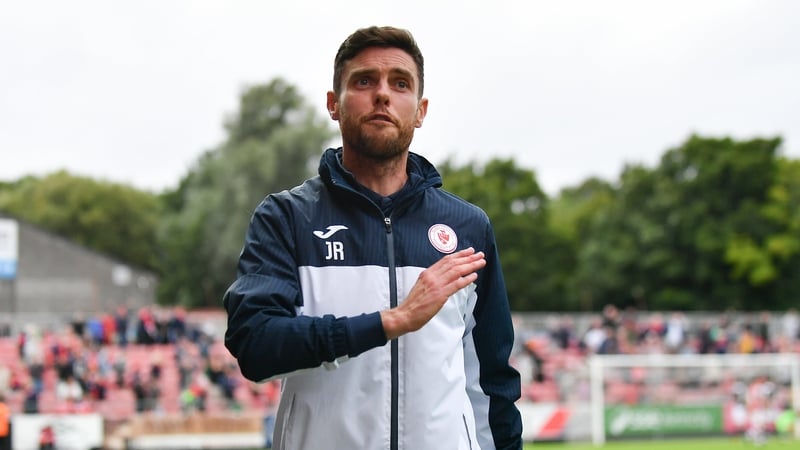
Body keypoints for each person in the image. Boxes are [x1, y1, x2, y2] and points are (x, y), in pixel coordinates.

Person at [223, 25, 522, 450]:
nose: (383, 94)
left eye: (400, 84)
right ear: (334, 104)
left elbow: (493, 383)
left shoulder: (468, 226)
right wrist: (390, 322)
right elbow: (255, 345)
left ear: (420, 110)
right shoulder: (286, 216)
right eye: (364, 81)